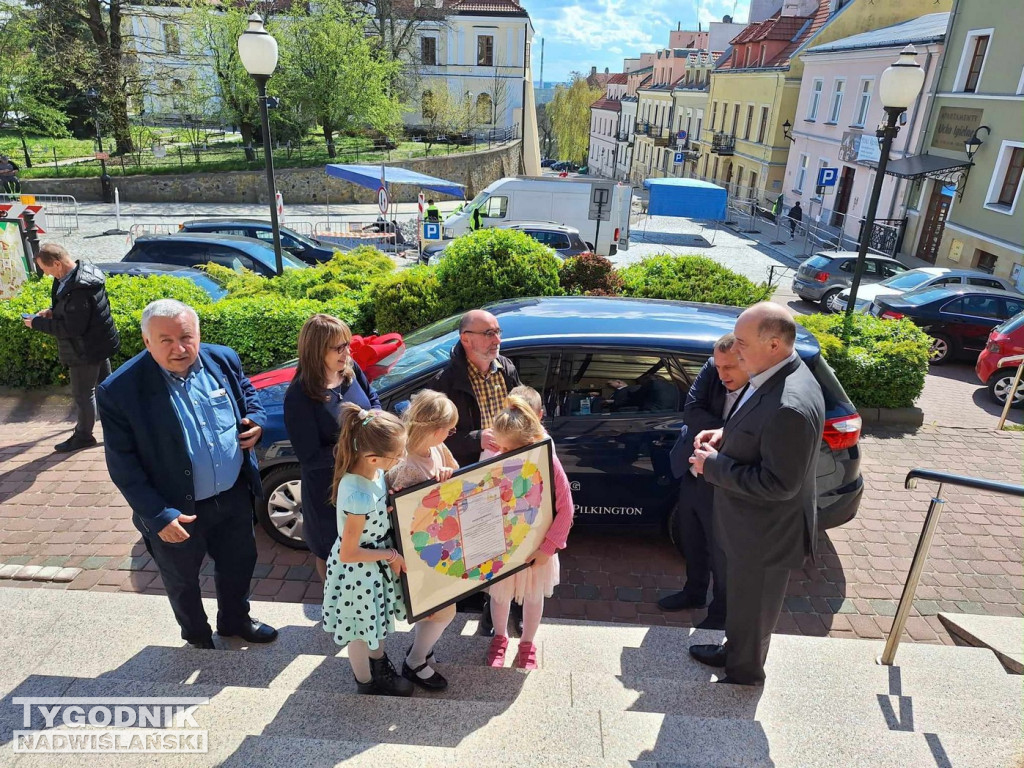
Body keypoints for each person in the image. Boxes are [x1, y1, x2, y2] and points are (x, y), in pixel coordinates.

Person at [97, 299, 276, 649]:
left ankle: (235, 621)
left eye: (186, 337)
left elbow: (249, 396)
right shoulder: (119, 391)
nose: (179, 348)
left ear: (198, 335)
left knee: (239, 563)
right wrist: (158, 515)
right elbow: (123, 464)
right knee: (182, 580)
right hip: (175, 511)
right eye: (165, 340)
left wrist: (258, 420)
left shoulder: (222, 359)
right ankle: (196, 635)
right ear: (147, 341)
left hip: (233, 495)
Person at [688, 303, 825, 686]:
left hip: (763, 537)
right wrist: (724, 437)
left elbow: (780, 484)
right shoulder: (773, 373)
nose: (736, 349)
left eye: (743, 343)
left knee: (753, 610)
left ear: (775, 344)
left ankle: (743, 676)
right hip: (749, 529)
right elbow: (756, 431)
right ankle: (735, 650)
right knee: (744, 610)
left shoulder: (790, 405)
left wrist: (712, 466)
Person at [429, 309, 522, 634]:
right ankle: (476, 599)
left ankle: (495, 606)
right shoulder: (447, 381)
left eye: (497, 332)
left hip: (507, 472)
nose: (497, 339)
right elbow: (436, 437)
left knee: (506, 541)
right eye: (488, 333)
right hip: (470, 476)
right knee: (476, 542)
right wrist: (476, 438)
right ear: (466, 338)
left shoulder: (507, 368)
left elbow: (521, 412)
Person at [658, 334, 750, 630]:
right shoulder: (713, 367)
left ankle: (720, 614)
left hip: (726, 483)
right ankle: (694, 592)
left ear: (747, 362)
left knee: (722, 553)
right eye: (718, 367)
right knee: (692, 539)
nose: (722, 375)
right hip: (694, 474)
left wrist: (725, 433)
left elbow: (755, 432)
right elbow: (692, 410)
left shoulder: (760, 389)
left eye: (729, 369)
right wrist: (727, 430)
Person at [322, 404, 414, 697]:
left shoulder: (371, 473)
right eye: (397, 455)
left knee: (373, 621)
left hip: (371, 567)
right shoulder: (359, 495)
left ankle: (378, 663)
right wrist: (391, 556)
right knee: (359, 631)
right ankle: (366, 682)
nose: (402, 458)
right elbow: (349, 552)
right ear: (373, 457)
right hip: (359, 572)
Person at [284, 314, 381, 581]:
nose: (347, 353)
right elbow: (310, 456)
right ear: (316, 350)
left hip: (365, 480)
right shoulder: (299, 396)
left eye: (347, 345)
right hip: (330, 493)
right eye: (338, 348)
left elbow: (373, 399)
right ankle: (335, 612)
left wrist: (376, 420)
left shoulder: (351, 371)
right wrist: (357, 450)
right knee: (333, 556)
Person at [485, 395, 574, 670]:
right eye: (500, 447)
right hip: (505, 547)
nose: (501, 451)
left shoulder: (548, 461)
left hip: (536, 549)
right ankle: (500, 637)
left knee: (534, 596)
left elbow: (566, 508)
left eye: (507, 447)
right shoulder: (500, 457)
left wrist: (548, 549)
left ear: (526, 442)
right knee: (499, 595)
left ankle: (527, 642)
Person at [386, 389, 459, 689]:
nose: (452, 433)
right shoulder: (405, 466)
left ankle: (421, 651)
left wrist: (446, 473)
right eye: (450, 428)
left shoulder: (437, 449)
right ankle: (415, 661)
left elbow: (456, 470)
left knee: (438, 609)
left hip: (439, 547)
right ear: (435, 429)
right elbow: (406, 518)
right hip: (418, 554)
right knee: (445, 610)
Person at [24, 243, 120, 453]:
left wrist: (36, 323)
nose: (46, 274)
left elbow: (71, 328)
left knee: (84, 394)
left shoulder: (77, 289)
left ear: (57, 263)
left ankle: (83, 436)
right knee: (107, 389)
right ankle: (122, 430)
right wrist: (53, 311)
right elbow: (79, 312)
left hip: (84, 349)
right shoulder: (83, 274)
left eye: (46, 269)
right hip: (99, 343)